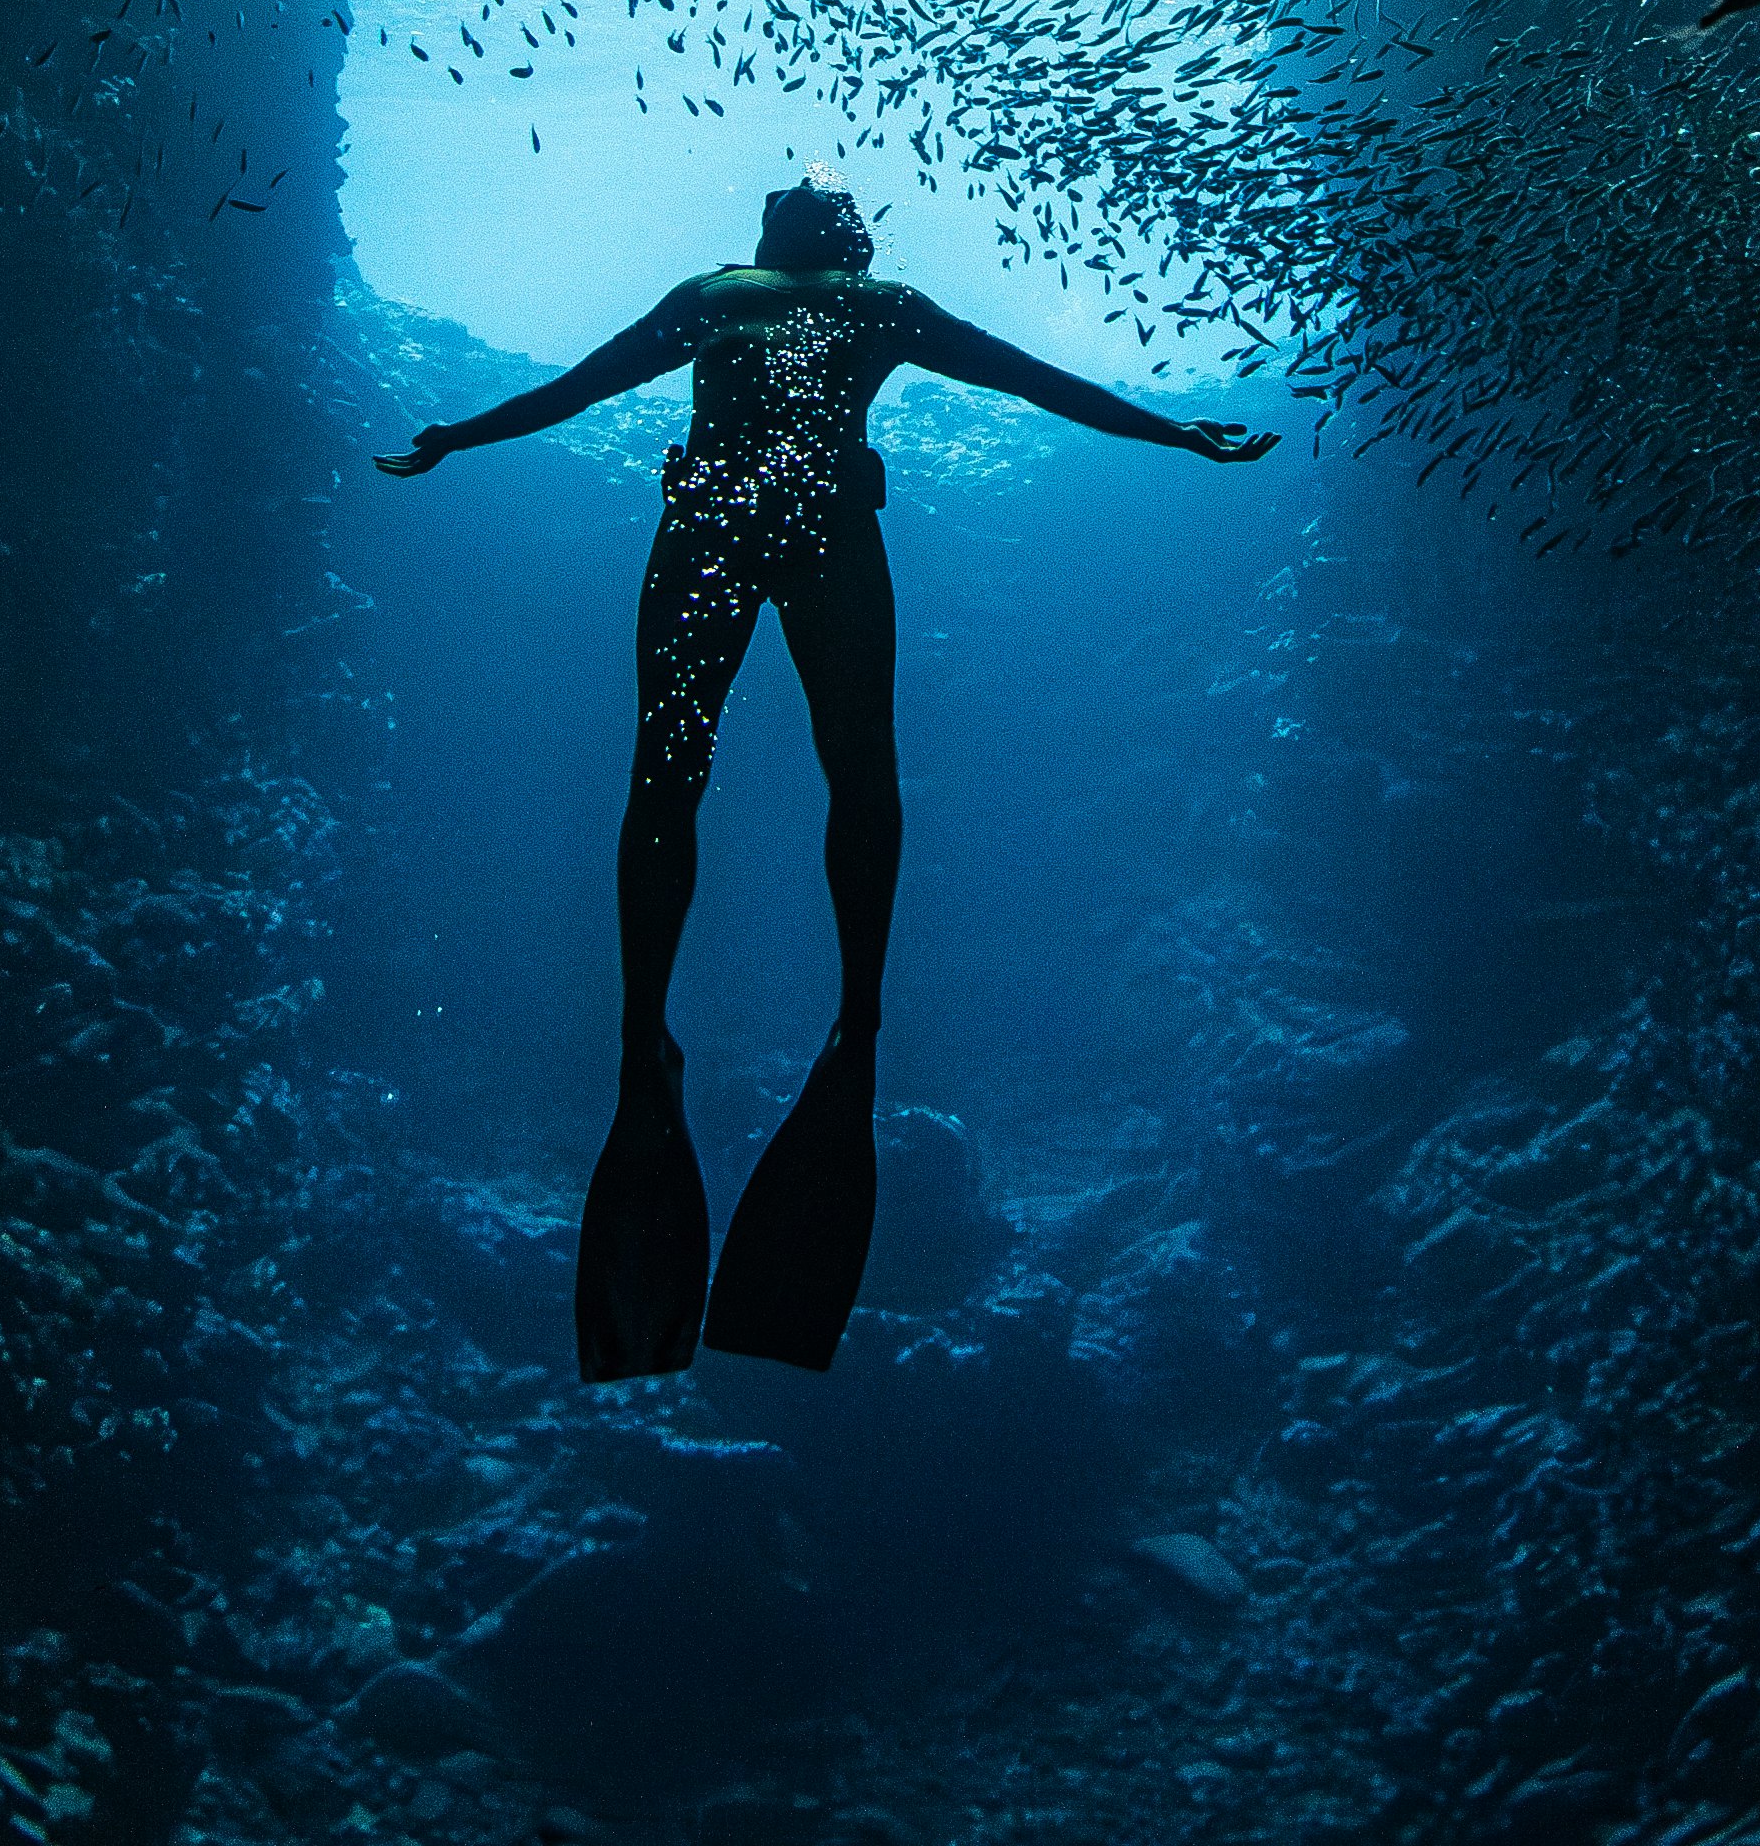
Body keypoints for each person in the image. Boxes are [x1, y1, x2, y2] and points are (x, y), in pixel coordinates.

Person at [376, 168, 1277, 1377]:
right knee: (861, 773)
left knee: (668, 774)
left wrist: (458, 436)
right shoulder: (880, 302)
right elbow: (1034, 380)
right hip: (822, 529)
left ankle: (647, 1029)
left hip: (705, 525)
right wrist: (1173, 432)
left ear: (771, 236)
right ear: (845, 244)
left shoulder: (713, 294)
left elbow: (579, 389)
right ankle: (860, 1015)